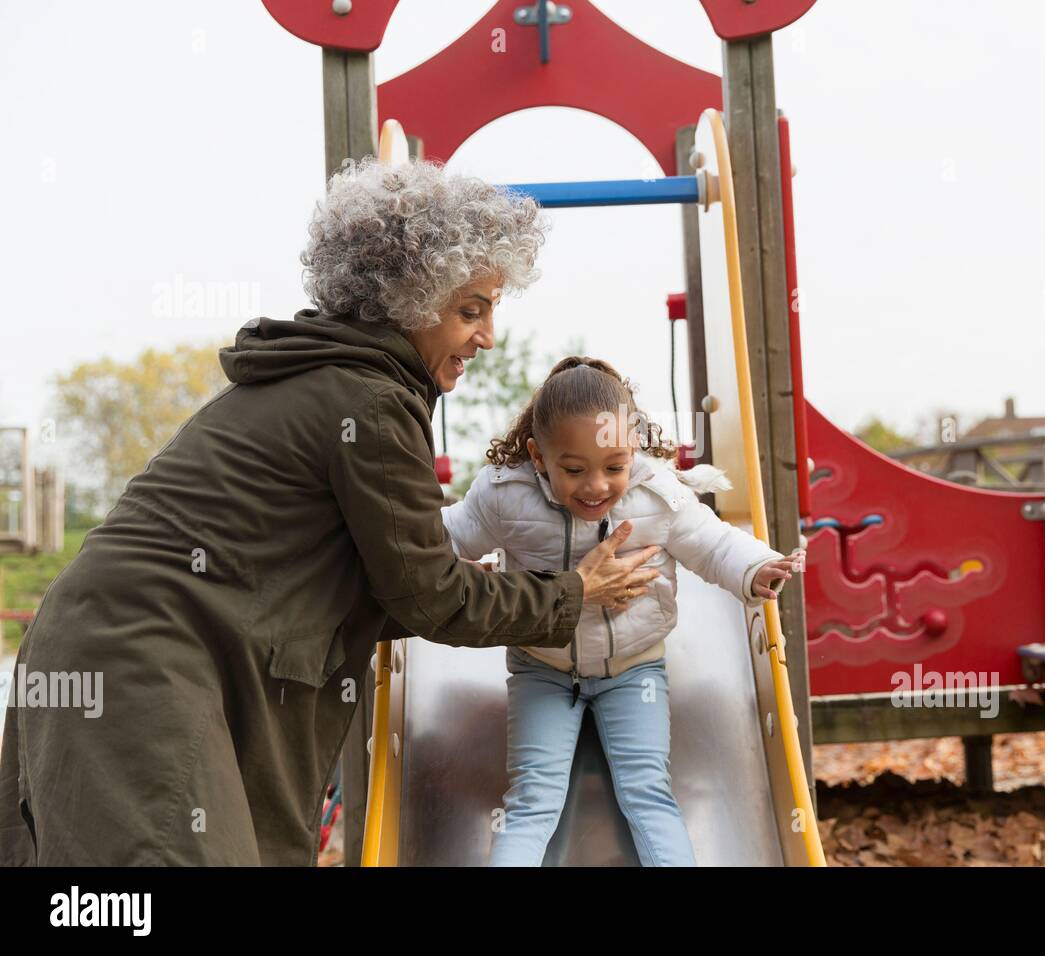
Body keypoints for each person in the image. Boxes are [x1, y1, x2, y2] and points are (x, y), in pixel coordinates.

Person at [0, 158, 659, 866]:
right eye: (471, 310)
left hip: (120, 644)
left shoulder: (324, 381)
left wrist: (515, 587)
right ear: (409, 300)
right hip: (139, 661)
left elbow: (391, 588)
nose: (489, 335)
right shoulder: (368, 402)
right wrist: (572, 591)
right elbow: (431, 595)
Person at [441, 356, 799, 866]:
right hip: (543, 669)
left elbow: (713, 542)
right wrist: (402, 549)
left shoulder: (656, 494)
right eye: (574, 469)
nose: (596, 487)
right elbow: (448, 535)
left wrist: (756, 567)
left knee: (648, 795)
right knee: (531, 803)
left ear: (633, 450)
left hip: (635, 671)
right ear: (538, 456)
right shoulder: (506, 496)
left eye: (614, 467)